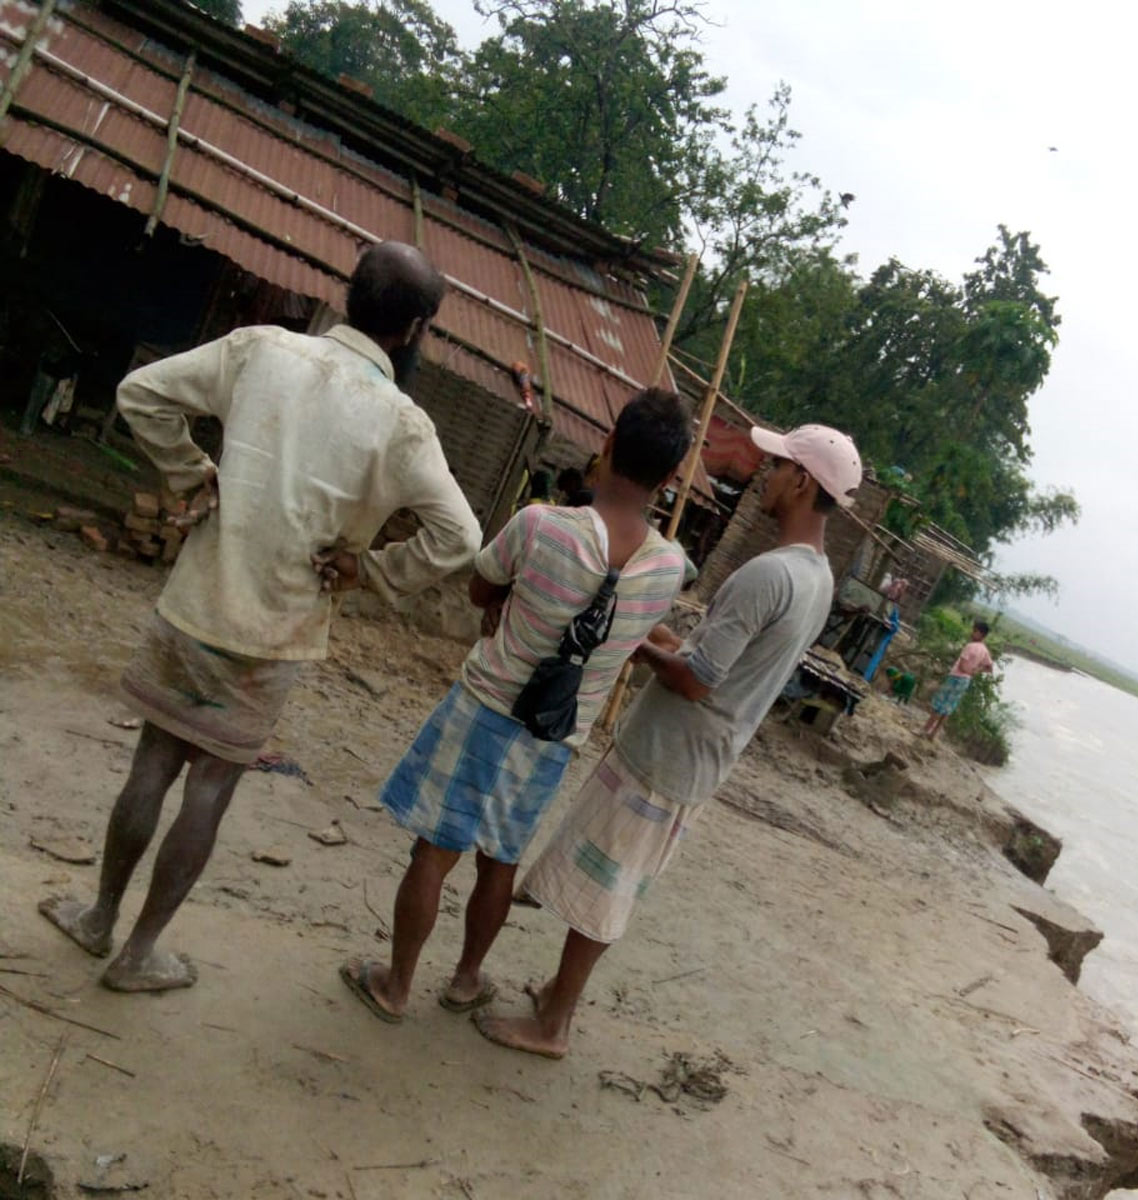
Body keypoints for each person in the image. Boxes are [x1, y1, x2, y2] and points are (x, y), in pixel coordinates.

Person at [38, 243, 482, 993]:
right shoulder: (403, 425)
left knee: (151, 762)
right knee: (208, 788)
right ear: (414, 329)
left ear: (349, 297)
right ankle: (140, 955)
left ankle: (98, 919)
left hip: (199, 596)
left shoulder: (261, 351)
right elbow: (462, 538)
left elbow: (141, 393)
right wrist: (370, 573)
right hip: (276, 634)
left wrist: (191, 473)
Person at [473, 422, 862, 1058]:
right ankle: (554, 997)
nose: (764, 477)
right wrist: (654, 638)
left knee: (605, 887)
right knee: (609, 874)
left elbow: (699, 680)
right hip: (699, 757)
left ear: (801, 481)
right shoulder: (817, 579)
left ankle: (554, 1025)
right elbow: (716, 662)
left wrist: (630, 644)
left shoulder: (768, 575)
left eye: (776, 468)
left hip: (670, 751)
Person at [338, 389, 692, 1023]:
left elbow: (480, 588)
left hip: (482, 709)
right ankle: (467, 979)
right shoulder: (668, 568)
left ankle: (396, 985)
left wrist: (510, 601)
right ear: (669, 480)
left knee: (434, 851)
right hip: (553, 738)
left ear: (606, 445)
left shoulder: (540, 524)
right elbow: (628, 639)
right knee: (499, 859)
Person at [921, 620, 994, 739]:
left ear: (981, 634)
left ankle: (924, 731)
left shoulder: (970, 646)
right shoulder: (984, 650)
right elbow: (989, 667)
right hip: (965, 681)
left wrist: (969, 671)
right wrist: (975, 671)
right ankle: (933, 734)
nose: (972, 633)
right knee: (949, 707)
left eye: (974, 631)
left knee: (939, 705)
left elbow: (962, 666)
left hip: (956, 677)